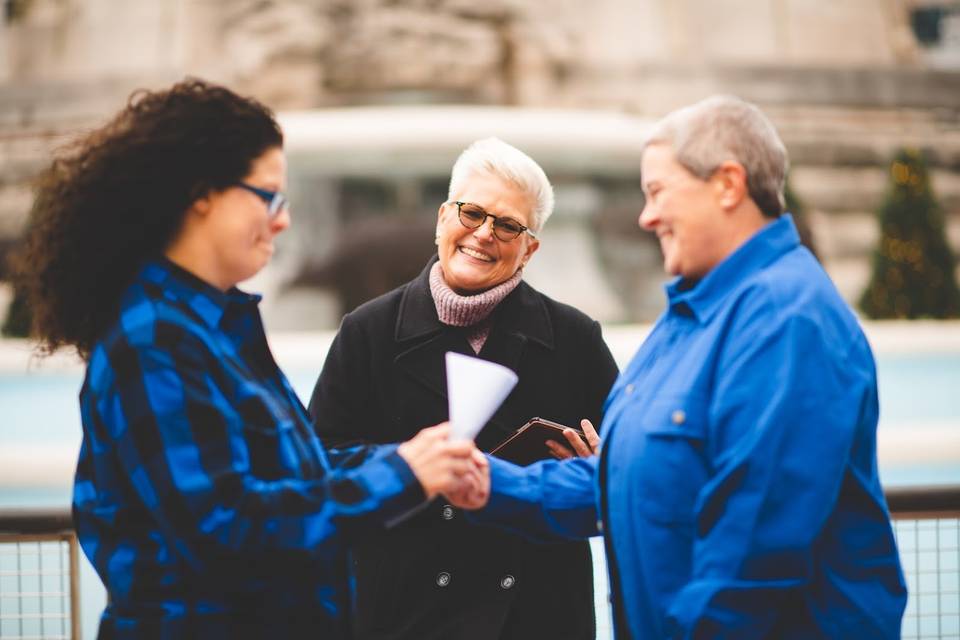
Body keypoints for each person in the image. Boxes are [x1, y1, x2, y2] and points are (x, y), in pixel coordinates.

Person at [11, 78, 486, 638]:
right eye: (268, 196)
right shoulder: (155, 341)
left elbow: (285, 472)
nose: (282, 219)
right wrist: (400, 476)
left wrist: (413, 461)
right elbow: (225, 528)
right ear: (201, 193)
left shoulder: (208, 327)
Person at [461, 96, 908, 638]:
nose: (647, 216)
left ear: (727, 184)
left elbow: (754, 551)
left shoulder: (786, 320)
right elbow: (629, 478)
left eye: (657, 192)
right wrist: (486, 484)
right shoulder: (697, 313)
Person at [308, 137, 618, 639]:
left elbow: (626, 482)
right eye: (471, 213)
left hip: (538, 612)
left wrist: (598, 467)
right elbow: (318, 467)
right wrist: (409, 466)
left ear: (529, 248)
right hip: (406, 610)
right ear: (441, 219)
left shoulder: (575, 338)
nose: (484, 234)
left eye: (508, 225)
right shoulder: (367, 331)